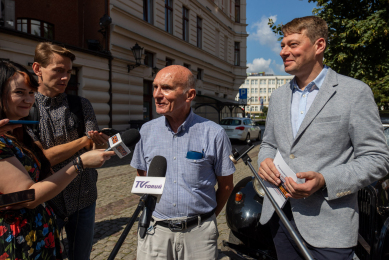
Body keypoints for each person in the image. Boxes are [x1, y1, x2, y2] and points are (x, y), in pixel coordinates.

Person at [257, 16, 389, 260]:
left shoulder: (354, 92)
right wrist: (264, 160)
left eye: (293, 44)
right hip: (279, 217)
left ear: (319, 46)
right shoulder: (278, 97)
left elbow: (377, 159)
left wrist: (324, 180)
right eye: (283, 44)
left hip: (329, 226)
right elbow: (269, 144)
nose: (283, 51)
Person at [0, 60, 115, 259]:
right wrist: (80, 163)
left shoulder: (18, 131)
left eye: (30, 92)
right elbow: (29, 196)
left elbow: (17, 197)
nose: (28, 99)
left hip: (39, 234)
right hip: (17, 241)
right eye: (19, 92)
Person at [131, 65, 235, 260]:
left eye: (166, 88)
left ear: (190, 95)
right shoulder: (145, 131)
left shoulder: (213, 133)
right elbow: (142, 176)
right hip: (155, 232)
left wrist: (205, 221)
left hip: (199, 236)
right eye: (155, 87)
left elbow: (227, 185)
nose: (156, 94)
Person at [29, 42, 109, 260]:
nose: (65, 77)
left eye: (68, 72)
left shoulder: (81, 104)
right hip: (45, 203)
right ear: (38, 69)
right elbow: (43, 158)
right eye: (58, 70)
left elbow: (94, 146)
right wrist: (84, 141)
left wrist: (99, 144)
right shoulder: (27, 108)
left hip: (84, 198)